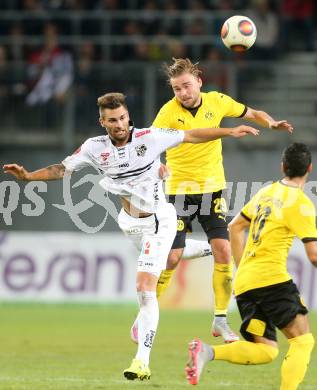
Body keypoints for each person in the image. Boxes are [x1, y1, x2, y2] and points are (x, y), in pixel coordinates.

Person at [3, 92, 259, 381]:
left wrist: (229, 130)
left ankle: (141, 361)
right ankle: (216, 249)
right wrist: (27, 177)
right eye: (112, 120)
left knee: (145, 288)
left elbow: (192, 134)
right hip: (130, 223)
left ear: (128, 117)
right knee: (172, 256)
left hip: (159, 221)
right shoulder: (93, 147)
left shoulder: (149, 137)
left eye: (122, 118)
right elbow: (62, 169)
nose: (119, 124)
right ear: (103, 122)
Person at [140, 57, 293, 343]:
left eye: (186, 85)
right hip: (178, 191)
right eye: (176, 89)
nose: (183, 93)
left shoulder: (217, 101)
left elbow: (251, 112)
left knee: (223, 250)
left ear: (199, 81)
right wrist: (158, 166)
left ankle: (221, 320)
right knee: (172, 257)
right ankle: (145, 315)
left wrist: (270, 122)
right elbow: (149, 146)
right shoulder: (167, 113)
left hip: (212, 189)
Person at [185, 142, 317, 389]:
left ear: (282, 167)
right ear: (309, 168)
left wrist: (242, 266)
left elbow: (235, 226)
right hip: (272, 280)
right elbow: (314, 256)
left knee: (266, 351)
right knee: (303, 341)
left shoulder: (267, 192)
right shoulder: (301, 204)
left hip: (246, 281)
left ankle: (207, 352)